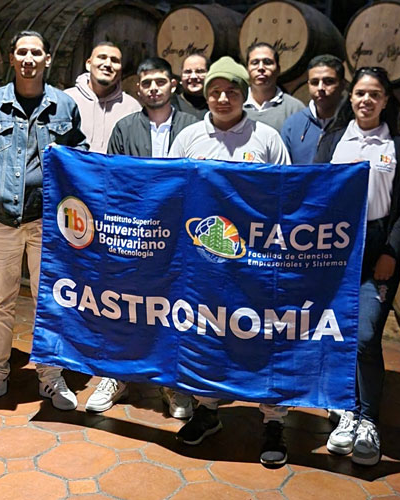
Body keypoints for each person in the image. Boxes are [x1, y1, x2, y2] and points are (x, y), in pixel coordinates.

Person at [168, 56, 292, 467]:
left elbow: (288, 195)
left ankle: (273, 421)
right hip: (203, 261)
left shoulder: (267, 138)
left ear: (244, 95)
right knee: (207, 334)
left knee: (265, 337)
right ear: (206, 94)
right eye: (216, 91)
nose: (223, 98)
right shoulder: (188, 137)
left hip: (257, 263)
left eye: (233, 91)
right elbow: (171, 191)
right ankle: (207, 411)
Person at [0, 30, 88, 412]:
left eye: (36, 53)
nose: (29, 59)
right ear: (11, 59)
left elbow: (78, 153)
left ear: (47, 60)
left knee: (50, 301)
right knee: (1, 301)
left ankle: (50, 377)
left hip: (48, 222)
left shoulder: (64, 105)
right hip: (0, 219)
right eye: (22, 52)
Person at [314, 66, 400, 466]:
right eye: (360, 93)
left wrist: (393, 249)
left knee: (367, 334)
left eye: (375, 94)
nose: (366, 100)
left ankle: (368, 417)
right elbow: (315, 192)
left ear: (387, 100)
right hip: (334, 250)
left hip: (377, 250)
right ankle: (345, 411)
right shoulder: (334, 140)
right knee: (335, 332)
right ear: (350, 97)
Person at [93, 57, 198, 416]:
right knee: (125, 307)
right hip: (136, 235)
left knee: (176, 311)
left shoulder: (194, 126)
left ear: (174, 85)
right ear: (139, 89)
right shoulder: (124, 128)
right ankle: (116, 376)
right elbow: (115, 181)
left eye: (161, 82)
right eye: (147, 82)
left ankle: (174, 385)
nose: (154, 88)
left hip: (181, 239)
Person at [65, 41, 141, 153]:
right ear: (88, 64)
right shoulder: (67, 100)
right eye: (102, 57)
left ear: (120, 70)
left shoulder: (132, 108)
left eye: (114, 60)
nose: (108, 64)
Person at [282, 55, 346, 164]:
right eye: (315, 82)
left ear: (342, 84)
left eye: (329, 81)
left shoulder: (352, 124)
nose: (320, 88)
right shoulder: (293, 125)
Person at [243, 42, 304, 132]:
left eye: (267, 62)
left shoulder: (294, 108)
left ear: (278, 69)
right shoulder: (236, 106)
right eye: (255, 63)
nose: (261, 68)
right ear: (247, 69)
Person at [173, 51, 209, 120]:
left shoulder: (216, 105)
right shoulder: (171, 105)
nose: (193, 77)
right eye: (188, 72)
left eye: (199, 71)